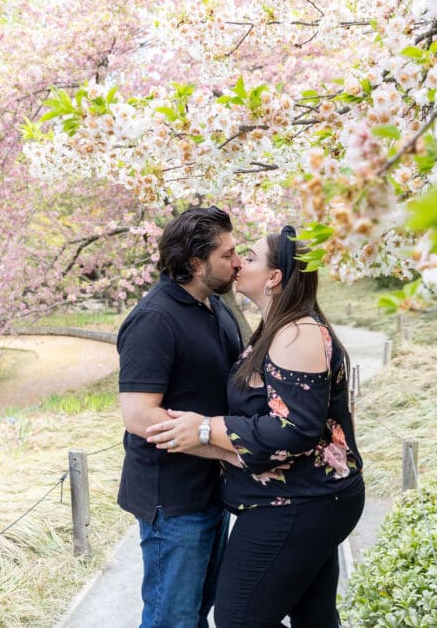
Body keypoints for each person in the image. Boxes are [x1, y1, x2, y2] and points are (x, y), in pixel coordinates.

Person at [146, 225, 365, 628]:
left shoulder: (297, 332)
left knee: (237, 619)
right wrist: (202, 439)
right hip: (306, 499)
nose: (238, 262)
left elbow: (294, 430)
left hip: (298, 503)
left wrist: (206, 429)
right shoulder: (275, 327)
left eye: (249, 256)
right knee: (314, 616)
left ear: (274, 276)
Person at [116, 205, 245, 628]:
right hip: (171, 500)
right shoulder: (155, 319)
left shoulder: (215, 309)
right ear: (195, 262)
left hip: (211, 492)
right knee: (171, 618)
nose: (237, 261)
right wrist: (222, 450)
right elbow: (139, 416)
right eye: (227, 254)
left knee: (198, 611)